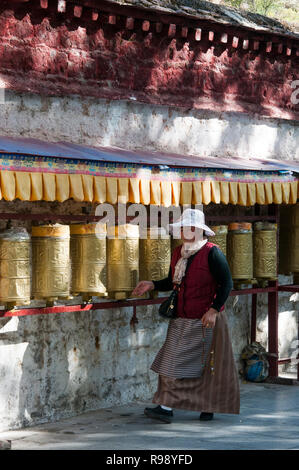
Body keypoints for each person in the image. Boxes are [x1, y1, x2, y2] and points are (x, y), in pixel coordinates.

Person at [132, 208, 240, 423]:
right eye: (181, 228)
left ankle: (194, 406)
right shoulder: (179, 253)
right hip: (182, 317)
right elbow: (174, 281)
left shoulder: (212, 252)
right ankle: (167, 406)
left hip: (206, 319)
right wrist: (152, 284)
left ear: (197, 230)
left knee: (208, 366)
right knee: (171, 361)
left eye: (186, 228)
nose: (182, 232)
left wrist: (213, 309)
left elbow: (227, 283)